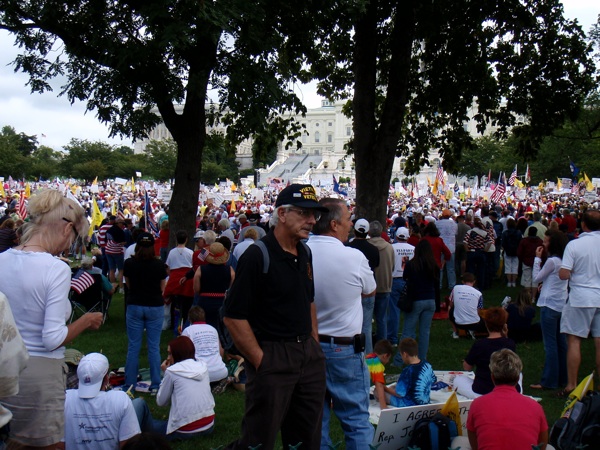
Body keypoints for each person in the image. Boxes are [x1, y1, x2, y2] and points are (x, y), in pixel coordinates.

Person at [223, 184, 327, 450]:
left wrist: (313, 344)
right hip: (273, 354)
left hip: (307, 354)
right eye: (304, 214)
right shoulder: (258, 255)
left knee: (307, 437)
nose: (312, 220)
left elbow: (309, 300)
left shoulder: (305, 252)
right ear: (282, 214)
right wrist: (261, 360)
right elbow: (233, 316)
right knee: (259, 439)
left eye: (314, 215)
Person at [0, 189, 103, 448]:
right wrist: (86, 320)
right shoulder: (56, 268)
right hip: (40, 375)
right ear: (66, 230)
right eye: (74, 239)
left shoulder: (2, 260)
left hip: (6, 366)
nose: (69, 247)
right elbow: (53, 338)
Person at [308, 198, 377, 449]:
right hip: (344, 349)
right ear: (335, 224)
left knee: (317, 419)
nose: (351, 224)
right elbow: (370, 290)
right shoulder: (352, 257)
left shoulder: (301, 253)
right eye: (348, 219)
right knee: (356, 419)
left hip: (309, 347)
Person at [453, 349, 549, 450]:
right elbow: (542, 443)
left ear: (492, 377)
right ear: (517, 379)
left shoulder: (477, 404)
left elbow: (474, 443)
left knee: (458, 441)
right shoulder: (535, 406)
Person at [134, 336, 216, 440]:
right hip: (208, 425)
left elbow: (161, 402)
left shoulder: (172, 371)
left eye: (170, 353)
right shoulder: (203, 366)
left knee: (139, 405)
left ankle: (128, 437)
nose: (168, 358)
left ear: (178, 354)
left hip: (185, 431)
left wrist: (165, 374)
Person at [558, 209, 600, 397]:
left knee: (574, 340)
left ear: (583, 224)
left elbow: (564, 273)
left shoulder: (575, 245)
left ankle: (571, 384)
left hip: (581, 296)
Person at [64, 353, 140, 449]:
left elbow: (59, 444)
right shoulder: (121, 399)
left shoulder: (65, 398)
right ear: (107, 378)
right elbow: (130, 445)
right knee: (139, 404)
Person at [123, 232, 167, 393]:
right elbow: (163, 287)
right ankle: (155, 384)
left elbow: (128, 284)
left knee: (133, 346)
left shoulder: (129, 263)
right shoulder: (159, 265)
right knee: (154, 346)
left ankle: (130, 384)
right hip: (154, 305)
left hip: (135, 304)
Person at [530, 229, 569, 390]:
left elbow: (536, 277)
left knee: (551, 345)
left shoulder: (552, 261)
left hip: (549, 305)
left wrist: (537, 259)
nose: (543, 244)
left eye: (546, 241)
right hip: (561, 304)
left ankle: (549, 380)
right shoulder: (565, 260)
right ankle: (563, 378)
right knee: (561, 344)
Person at [454, 307, 517, 399]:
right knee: (519, 374)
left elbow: (466, 367)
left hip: (483, 390)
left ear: (486, 324)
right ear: (504, 324)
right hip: (508, 388)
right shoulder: (510, 343)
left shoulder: (480, 344)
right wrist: (505, 335)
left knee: (458, 379)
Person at [401, 240, 439, 361]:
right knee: (425, 332)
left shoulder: (412, 264)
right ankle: (422, 358)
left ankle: (400, 358)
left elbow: (405, 277)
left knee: (408, 330)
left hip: (416, 299)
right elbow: (437, 285)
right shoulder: (434, 265)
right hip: (430, 299)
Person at [346, 218, 380, 354]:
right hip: (368, 289)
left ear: (354, 230)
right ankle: (368, 358)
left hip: (352, 289)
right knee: (366, 326)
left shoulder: (347, 247)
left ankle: (353, 353)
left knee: (351, 325)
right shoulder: (373, 249)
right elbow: (376, 266)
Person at [193, 242, 235, 331]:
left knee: (204, 328)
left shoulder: (201, 269)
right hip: (222, 302)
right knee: (221, 330)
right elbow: (232, 288)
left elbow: (196, 289)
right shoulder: (230, 270)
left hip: (204, 302)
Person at [181, 306, 229, 383]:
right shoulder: (213, 329)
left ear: (189, 319)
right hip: (220, 371)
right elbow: (221, 349)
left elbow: (182, 353)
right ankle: (219, 382)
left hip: (199, 373)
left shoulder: (187, 331)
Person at [388, 227, 415, 349]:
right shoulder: (413, 249)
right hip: (409, 280)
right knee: (410, 310)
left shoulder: (392, 248)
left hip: (396, 279)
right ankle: (409, 337)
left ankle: (393, 338)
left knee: (394, 310)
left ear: (397, 236)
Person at [390, 337, 436, 408]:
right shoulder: (427, 365)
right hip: (425, 402)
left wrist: (385, 389)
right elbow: (434, 380)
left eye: (401, 355)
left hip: (408, 405)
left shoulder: (407, 371)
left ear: (405, 354)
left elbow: (399, 393)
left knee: (378, 392)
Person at [369, 220, 395, 343]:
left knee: (367, 318)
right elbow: (393, 266)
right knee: (382, 318)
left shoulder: (367, 246)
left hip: (370, 287)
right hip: (384, 285)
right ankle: (382, 344)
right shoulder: (389, 247)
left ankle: (368, 343)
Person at [164, 230, 195, 328]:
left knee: (174, 303)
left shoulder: (172, 252)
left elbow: (168, 267)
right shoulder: (190, 252)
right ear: (186, 240)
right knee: (187, 303)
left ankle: (174, 323)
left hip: (175, 279)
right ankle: (185, 322)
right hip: (187, 279)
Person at [448, 272, 486, 339]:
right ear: (474, 281)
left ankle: (455, 332)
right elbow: (479, 310)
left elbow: (451, 304)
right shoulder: (478, 293)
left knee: (449, 309)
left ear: (462, 281)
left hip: (458, 323)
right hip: (475, 324)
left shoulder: (456, 288)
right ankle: (472, 330)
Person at [366, 339, 398, 410]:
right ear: (385, 356)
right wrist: (383, 406)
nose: (388, 361)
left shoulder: (369, 357)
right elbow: (379, 386)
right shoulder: (377, 365)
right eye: (389, 358)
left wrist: (389, 391)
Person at [464, 217, 494, 290]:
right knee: (481, 270)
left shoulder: (470, 232)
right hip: (481, 252)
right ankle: (481, 286)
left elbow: (465, 242)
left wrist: (467, 250)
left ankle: (470, 285)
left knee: (471, 270)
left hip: (472, 252)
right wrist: (485, 250)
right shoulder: (484, 233)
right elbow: (490, 242)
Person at [517, 227, 543, 299]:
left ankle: (527, 297)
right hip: (536, 262)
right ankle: (533, 298)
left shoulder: (524, 241)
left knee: (527, 280)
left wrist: (522, 259)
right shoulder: (540, 241)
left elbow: (519, 252)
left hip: (526, 262)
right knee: (535, 280)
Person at [436, 209, 458, 289]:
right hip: (451, 248)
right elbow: (455, 233)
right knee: (451, 268)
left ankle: (439, 285)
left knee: (440, 267)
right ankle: (452, 285)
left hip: (440, 247)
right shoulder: (454, 224)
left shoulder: (437, 223)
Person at [502, 218, 522, 287]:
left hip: (507, 251)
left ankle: (509, 282)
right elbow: (520, 242)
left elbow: (503, 243)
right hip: (516, 252)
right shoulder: (519, 233)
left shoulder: (505, 233)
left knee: (508, 267)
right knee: (515, 267)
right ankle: (514, 282)